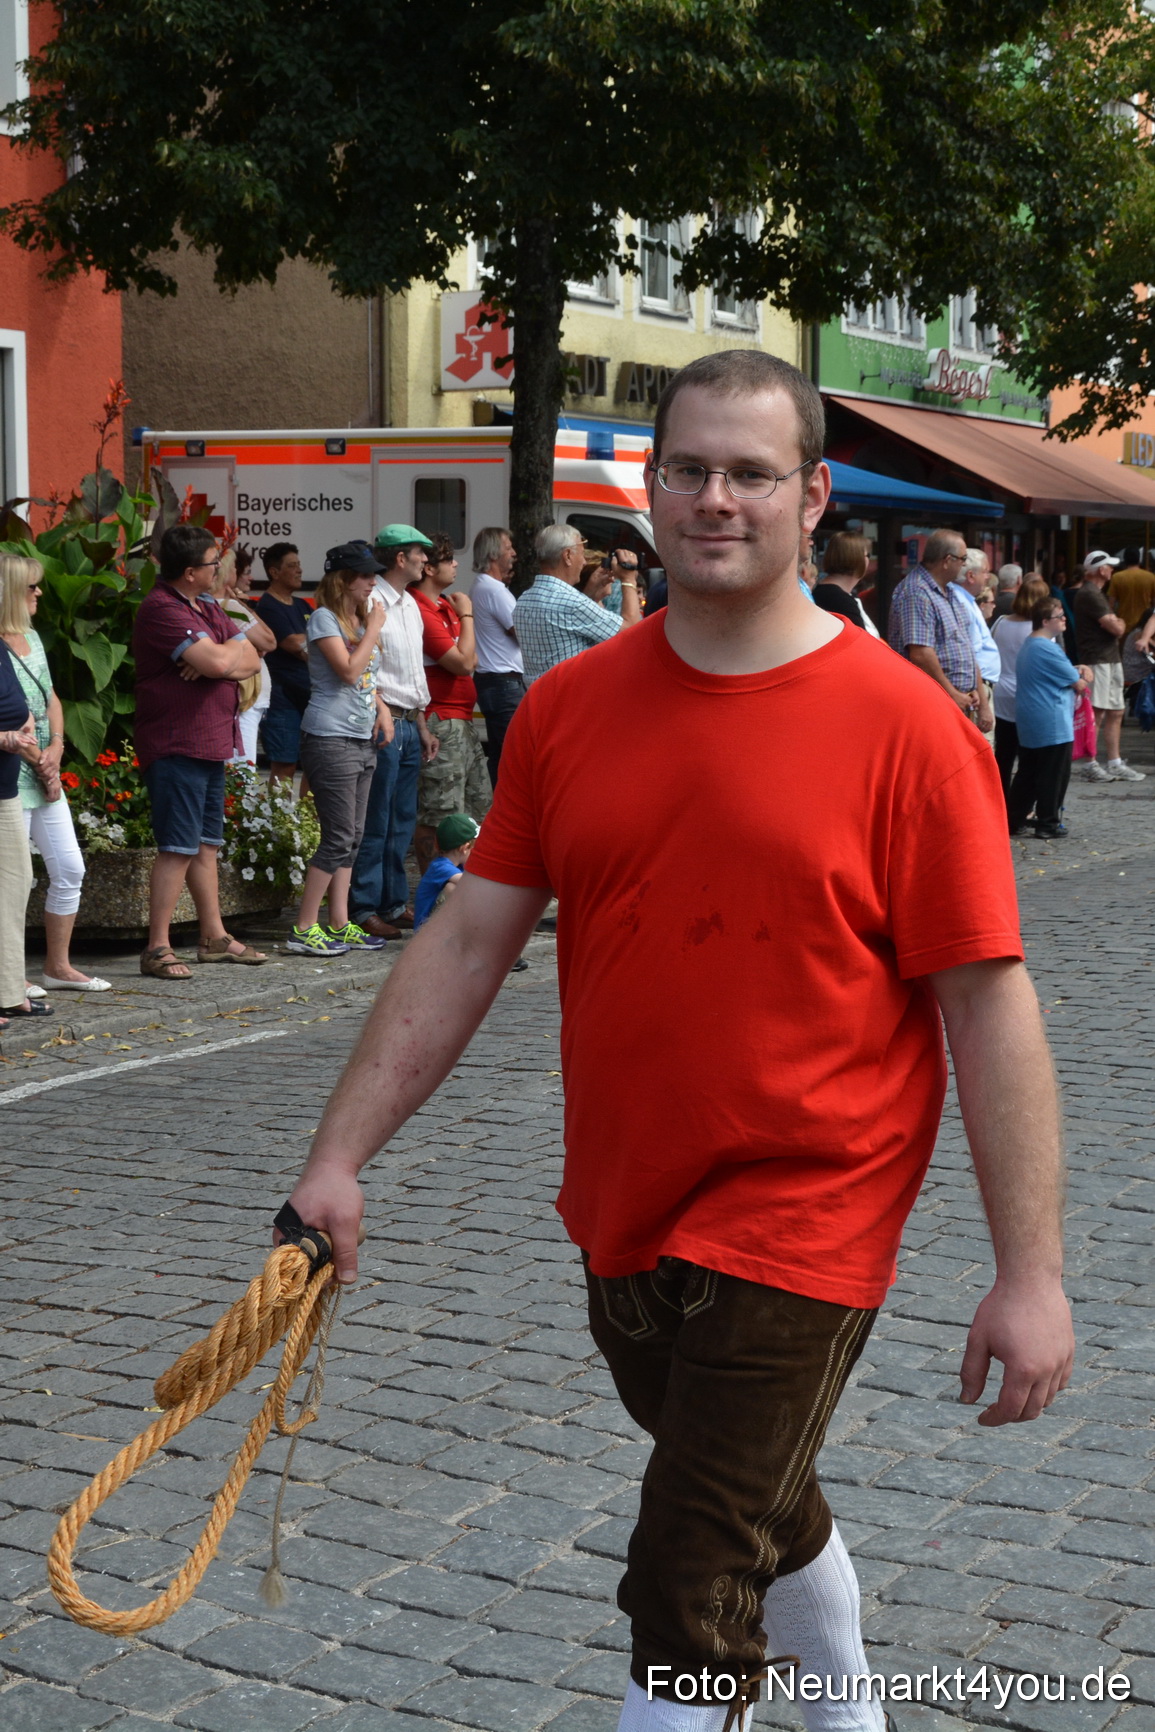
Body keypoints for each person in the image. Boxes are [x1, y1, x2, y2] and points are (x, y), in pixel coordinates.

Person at [284, 349, 1072, 1732]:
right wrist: (336, 1157)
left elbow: (984, 1003)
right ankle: (852, 1713)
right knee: (758, 1494)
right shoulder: (575, 709)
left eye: (750, 473)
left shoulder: (904, 729)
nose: (717, 498)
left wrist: (1031, 1273)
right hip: (625, 1202)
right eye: (690, 470)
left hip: (808, 1211)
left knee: (687, 1574)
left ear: (810, 494)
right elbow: (470, 938)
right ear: (651, 489)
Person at [132, 524, 268, 979]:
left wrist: (218, 661)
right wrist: (217, 661)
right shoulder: (160, 609)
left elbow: (252, 655)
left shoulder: (205, 604)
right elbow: (221, 661)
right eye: (212, 563)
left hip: (209, 741)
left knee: (206, 845)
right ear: (189, 571)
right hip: (177, 743)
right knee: (176, 847)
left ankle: (213, 936)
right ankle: (157, 947)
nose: (219, 570)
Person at [0, 554, 109, 992]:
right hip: (15, 770)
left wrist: (57, 749)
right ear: (11, 592)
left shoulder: (31, 636)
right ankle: (12, 976)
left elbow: (51, 700)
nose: (40, 592)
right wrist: (38, 759)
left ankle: (57, 966)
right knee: (14, 878)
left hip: (43, 764)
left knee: (69, 867)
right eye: (31, 587)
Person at [289, 545, 392, 956]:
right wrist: (374, 631)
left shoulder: (360, 618)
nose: (372, 581)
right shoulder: (324, 619)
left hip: (362, 738)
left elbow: (368, 681)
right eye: (366, 575)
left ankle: (339, 922)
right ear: (345, 578)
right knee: (337, 836)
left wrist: (383, 710)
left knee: (354, 836)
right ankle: (303, 926)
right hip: (330, 737)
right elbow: (349, 672)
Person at [348, 525, 439, 940]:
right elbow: (368, 668)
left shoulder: (406, 603)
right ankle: (365, 905)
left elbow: (412, 671)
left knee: (400, 819)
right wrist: (386, 710)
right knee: (377, 817)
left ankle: (392, 901)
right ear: (400, 558)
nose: (426, 560)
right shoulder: (375, 601)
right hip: (383, 720)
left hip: (405, 720)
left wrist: (421, 723)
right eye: (420, 553)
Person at [409, 532, 492, 877]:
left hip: (462, 721)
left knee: (478, 808)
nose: (456, 564)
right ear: (428, 568)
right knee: (440, 812)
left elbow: (470, 656)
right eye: (448, 559)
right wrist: (469, 616)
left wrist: (462, 619)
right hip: (441, 719)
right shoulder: (421, 608)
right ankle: (436, 888)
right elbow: (463, 663)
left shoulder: (445, 605)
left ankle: (466, 885)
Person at [887, 530, 992, 733]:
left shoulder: (949, 591)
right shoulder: (917, 592)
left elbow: (966, 649)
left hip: (958, 701)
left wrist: (976, 692)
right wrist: (952, 693)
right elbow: (921, 654)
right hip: (935, 703)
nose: (964, 564)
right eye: (962, 559)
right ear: (947, 560)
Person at [1007, 597, 1092, 840]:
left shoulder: (1031, 644)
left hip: (1033, 718)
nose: (1064, 619)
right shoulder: (1046, 647)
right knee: (1053, 775)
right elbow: (1078, 683)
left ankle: (1014, 819)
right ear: (1045, 621)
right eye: (1059, 616)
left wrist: (1077, 669)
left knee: (1029, 774)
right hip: (1051, 720)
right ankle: (1048, 822)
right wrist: (1083, 672)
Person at [514, 523, 641, 682]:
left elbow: (565, 631)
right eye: (581, 554)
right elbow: (632, 632)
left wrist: (589, 595)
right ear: (567, 556)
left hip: (537, 700)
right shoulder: (571, 603)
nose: (584, 562)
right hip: (570, 701)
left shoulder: (523, 601)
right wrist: (628, 578)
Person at [0, 611, 48, 1030]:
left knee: (16, 881)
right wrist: (4, 738)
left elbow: (22, 703)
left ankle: (8, 992)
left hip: (5, 788)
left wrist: (26, 724)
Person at [1073, 550, 1145, 782]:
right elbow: (1117, 628)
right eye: (1109, 566)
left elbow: (1116, 625)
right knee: (1098, 712)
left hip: (1108, 658)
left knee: (1116, 710)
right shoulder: (1090, 594)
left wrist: (1117, 622)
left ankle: (1113, 762)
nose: (1112, 570)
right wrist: (1118, 622)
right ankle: (1091, 763)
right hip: (1098, 659)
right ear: (1101, 570)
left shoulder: (1097, 593)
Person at [469, 526, 524, 785]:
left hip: (492, 681)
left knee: (501, 752)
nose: (513, 553)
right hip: (504, 683)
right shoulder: (494, 590)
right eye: (508, 548)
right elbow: (521, 631)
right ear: (493, 554)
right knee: (511, 755)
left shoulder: (482, 586)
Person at [254, 542, 311, 789]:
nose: (299, 570)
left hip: (310, 698)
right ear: (274, 572)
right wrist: (321, 643)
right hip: (282, 700)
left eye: (299, 565)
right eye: (291, 566)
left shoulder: (302, 606)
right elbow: (295, 645)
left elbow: (312, 645)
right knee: (285, 764)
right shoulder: (267, 606)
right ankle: (279, 825)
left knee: (314, 764)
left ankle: (308, 825)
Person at [213, 548, 276, 766]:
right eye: (232, 567)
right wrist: (241, 605)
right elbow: (269, 641)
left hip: (242, 700)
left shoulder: (219, 605)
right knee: (242, 771)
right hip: (243, 700)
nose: (235, 571)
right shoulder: (230, 606)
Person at [990, 576, 1051, 800]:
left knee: (1003, 755)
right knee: (1029, 758)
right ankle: (1020, 805)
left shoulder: (1001, 622)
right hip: (1030, 696)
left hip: (1001, 692)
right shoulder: (1040, 631)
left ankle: (1000, 801)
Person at [949, 548, 1001, 739]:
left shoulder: (966, 600)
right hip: (977, 690)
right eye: (985, 571)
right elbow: (971, 656)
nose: (988, 577)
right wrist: (985, 706)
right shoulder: (961, 602)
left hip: (979, 689)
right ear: (970, 575)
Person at [412, 811, 479, 929]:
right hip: (426, 930)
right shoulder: (440, 867)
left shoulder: (459, 864)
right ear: (464, 848)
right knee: (452, 888)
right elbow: (471, 884)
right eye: (475, 848)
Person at [810, 532, 880, 635]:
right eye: (867, 555)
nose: (868, 560)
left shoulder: (835, 595)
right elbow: (860, 643)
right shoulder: (838, 600)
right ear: (856, 558)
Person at [1108, 545, 1155, 636]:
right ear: (1139, 559)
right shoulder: (1151, 577)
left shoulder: (1117, 577)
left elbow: (1111, 605)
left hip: (1124, 625)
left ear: (1125, 559)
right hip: (1144, 626)